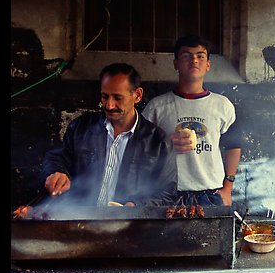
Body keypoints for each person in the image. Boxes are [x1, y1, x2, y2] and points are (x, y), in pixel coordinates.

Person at [42, 63, 177, 207]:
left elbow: (166, 194)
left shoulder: (158, 142)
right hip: (80, 217)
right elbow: (57, 156)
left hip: (129, 225)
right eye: (105, 97)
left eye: (118, 98)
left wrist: (137, 206)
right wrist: (56, 172)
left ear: (137, 95)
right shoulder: (81, 128)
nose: (109, 105)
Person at [142, 34, 242, 206]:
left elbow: (233, 146)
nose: (194, 61)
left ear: (208, 64)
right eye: (186, 56)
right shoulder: (157, 107)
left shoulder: (222, 105)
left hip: (211, 192)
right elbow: (139, 149)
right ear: (176, 64)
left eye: (200, 56)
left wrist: (228, 188)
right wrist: (165, 143)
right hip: (167, 194)